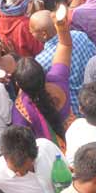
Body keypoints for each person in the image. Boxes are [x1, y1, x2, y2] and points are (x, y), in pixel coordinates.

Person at [13, 9, 74, 150]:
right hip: (74, 143)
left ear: (19, 85)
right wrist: (61, 25)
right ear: (44, 73)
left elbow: (22, 144)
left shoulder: (21, 109)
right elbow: (65, 45)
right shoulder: (57, 79)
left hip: (51, 158)